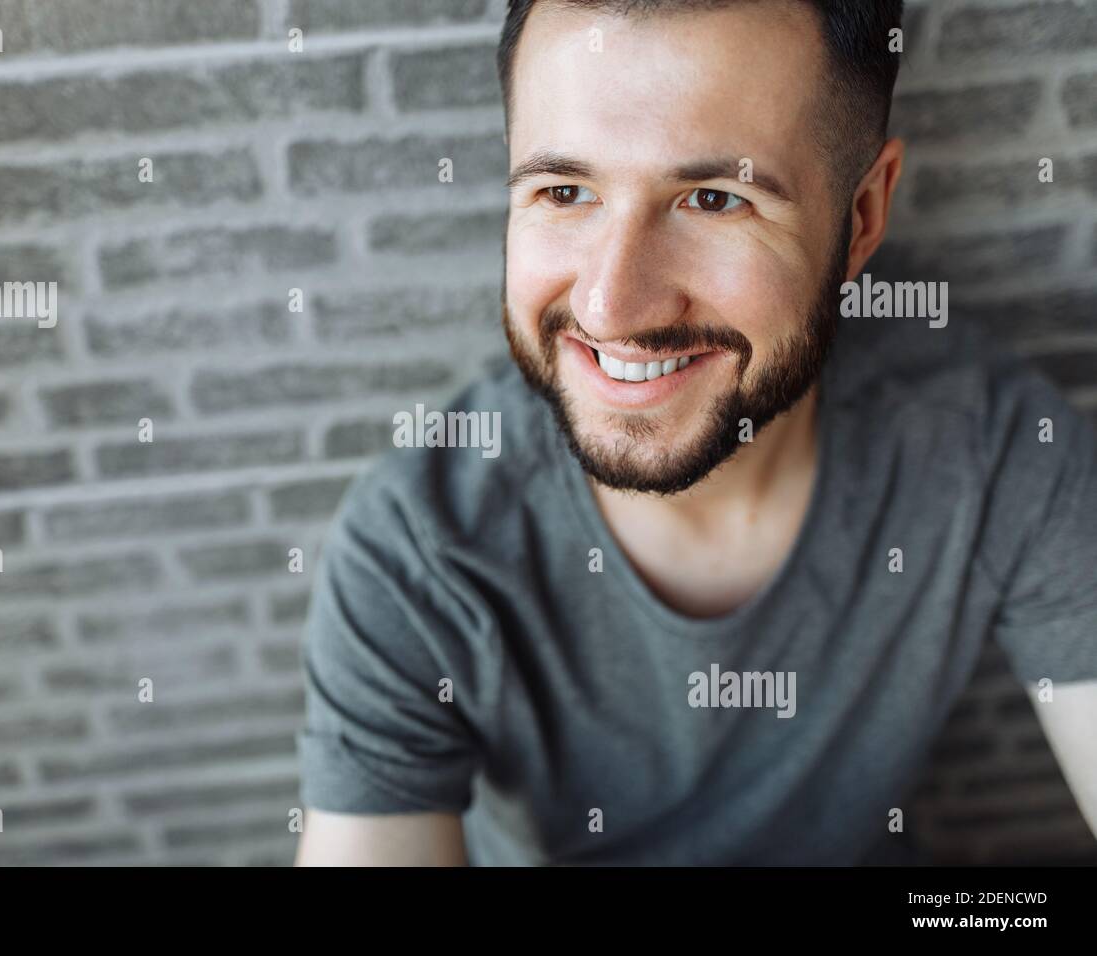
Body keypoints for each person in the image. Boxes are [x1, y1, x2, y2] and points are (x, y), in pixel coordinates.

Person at [293, 0, 1097, 865]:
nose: (609, 306)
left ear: (862, 216)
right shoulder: (420, 548)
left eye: (713, 199)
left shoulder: (993, 452)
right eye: (565, 192)